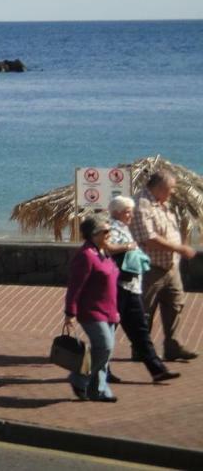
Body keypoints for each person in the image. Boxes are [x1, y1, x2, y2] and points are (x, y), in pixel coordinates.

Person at [106, 196, 180, 383]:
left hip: (132, 288)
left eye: (130, 211)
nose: (131, 215)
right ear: (117, 212)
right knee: (108, 332)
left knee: (140, 331)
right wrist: (128, 246)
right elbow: (107, 248)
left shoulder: (123, 227)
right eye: (127, 211)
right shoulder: (112, 227)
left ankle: (157, 370)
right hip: (119, 288)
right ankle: (97, 370)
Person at [132, 169, 198, 361]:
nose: (173, 192)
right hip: (149, 267)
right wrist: (179, 248)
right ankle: (140, 349)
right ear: (159, 187)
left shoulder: (162, 203)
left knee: (175, 305)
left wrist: (177, 249)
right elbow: (148, 238)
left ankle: (173, 347)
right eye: (170, 188)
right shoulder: (141, 205)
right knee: (145, 309)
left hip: (170, 266)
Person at [63, 213, 120, 401]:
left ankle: (99, 390)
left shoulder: (104, 252)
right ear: (94, 234)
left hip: (109, 310)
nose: (110, 233)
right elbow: (75, 287)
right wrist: (70, 312)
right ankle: (79, 378)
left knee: (106, 352)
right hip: (91, 311)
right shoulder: (86, 255)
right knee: (104, 347)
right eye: (106, 230)